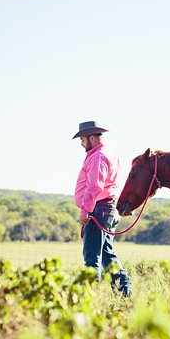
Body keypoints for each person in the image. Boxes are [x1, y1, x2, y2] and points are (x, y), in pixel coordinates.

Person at [73, 121, 132, 297]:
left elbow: (94, 186)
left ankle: (88, 299)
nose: (81, 143)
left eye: (82, 139)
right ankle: (124, 294)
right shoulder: (108, 153)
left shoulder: (98, 156)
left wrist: (85, 209)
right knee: (107, 254)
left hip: (99, 209)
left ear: (92, 137)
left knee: (92, 257)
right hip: (107, 208)